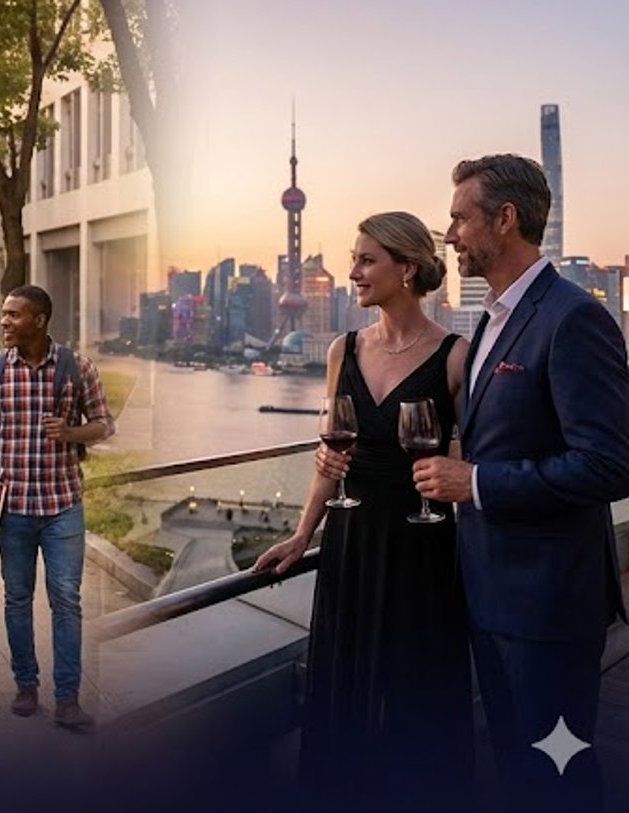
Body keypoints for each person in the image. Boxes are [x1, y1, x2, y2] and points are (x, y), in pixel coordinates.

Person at [414, 154, 629, 810]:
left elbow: (609, 463)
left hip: (547, 610)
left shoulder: (572, 318)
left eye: (460, 217)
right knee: (515, 771)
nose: (448, 234)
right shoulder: (490, 321)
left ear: (505, 219)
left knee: (557, 778)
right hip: (490, 596)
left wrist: (476, 482)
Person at [254, 212, 471, 809]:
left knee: (412, 684)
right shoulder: (341, 349)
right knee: (343, 677)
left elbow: (462, 461)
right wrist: (303, 535)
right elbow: (332, 453)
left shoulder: (455, 356)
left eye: (367, 260)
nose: (353, 272)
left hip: (421, 544)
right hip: (350, 539)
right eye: (354, 258)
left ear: (407, 269)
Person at [0, 284, 112, 733]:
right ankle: (25, 685)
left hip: (62, 504)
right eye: (4, 314)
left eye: (14, 315)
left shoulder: (75, 367)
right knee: (17, 597)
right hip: (13, 507)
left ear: (40, 319)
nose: (5, 322)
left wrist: (71, 434)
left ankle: (67, 698)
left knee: (66, 599)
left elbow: (104, 425)